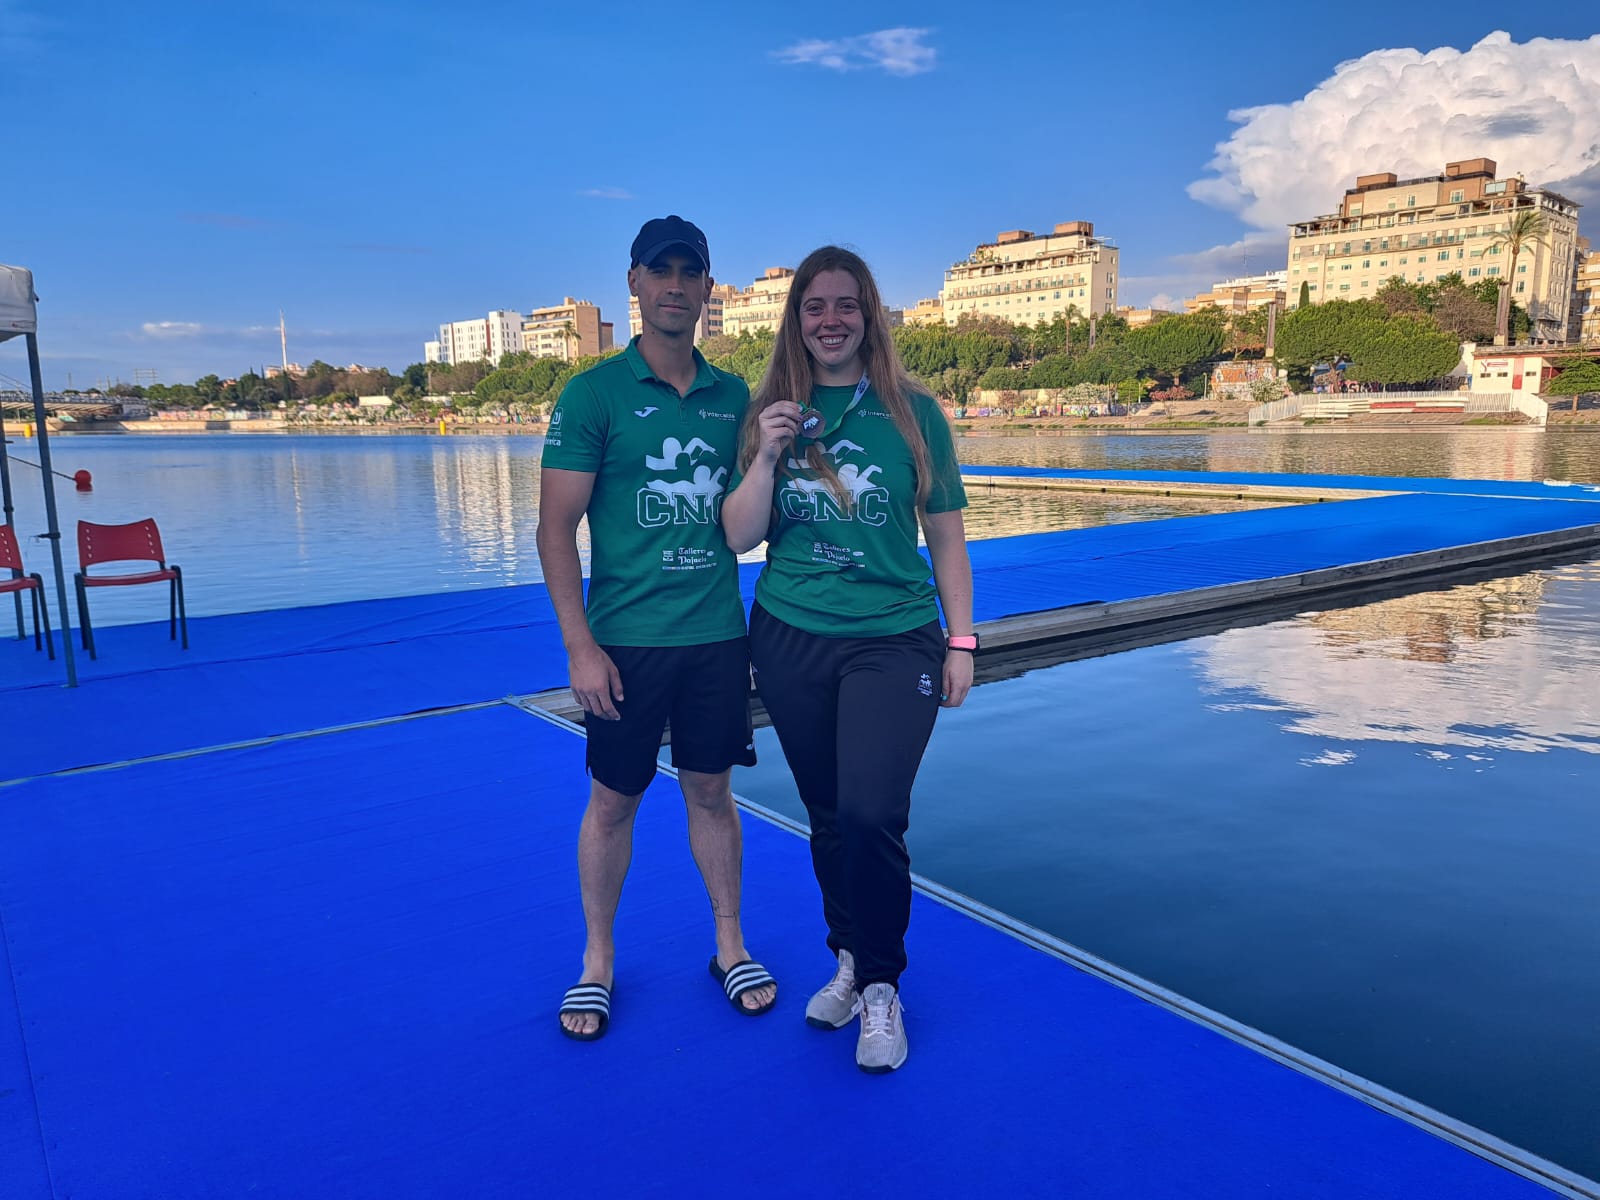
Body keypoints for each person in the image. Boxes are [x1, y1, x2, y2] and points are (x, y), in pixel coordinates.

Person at [721, 246, 975, 1073]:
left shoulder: (913, 414)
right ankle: (848, 958)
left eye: (846, 305)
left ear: (869, 315)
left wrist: (963, 640)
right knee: (828, 815)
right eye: (814, 307)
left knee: (872, 813)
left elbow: (945, 536)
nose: (830, 320)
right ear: (796, 320)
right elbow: (738, 535)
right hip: (791, 636)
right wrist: (763, 454)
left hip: (895, 637)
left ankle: (882, 986)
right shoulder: (768, 410)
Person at [537, 215, 777, 1041]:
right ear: (634, 283)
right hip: (625, 645)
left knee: (713, 793)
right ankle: (597, 960)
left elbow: (752, 515)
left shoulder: (733, 397)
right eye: (660, 270)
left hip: (715, 636)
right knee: (613, 803)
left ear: (709, 289)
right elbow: (553, 529)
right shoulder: (594, 393)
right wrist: (580, 645)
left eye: (691, 272)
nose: (676, 284)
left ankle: (729, 943)